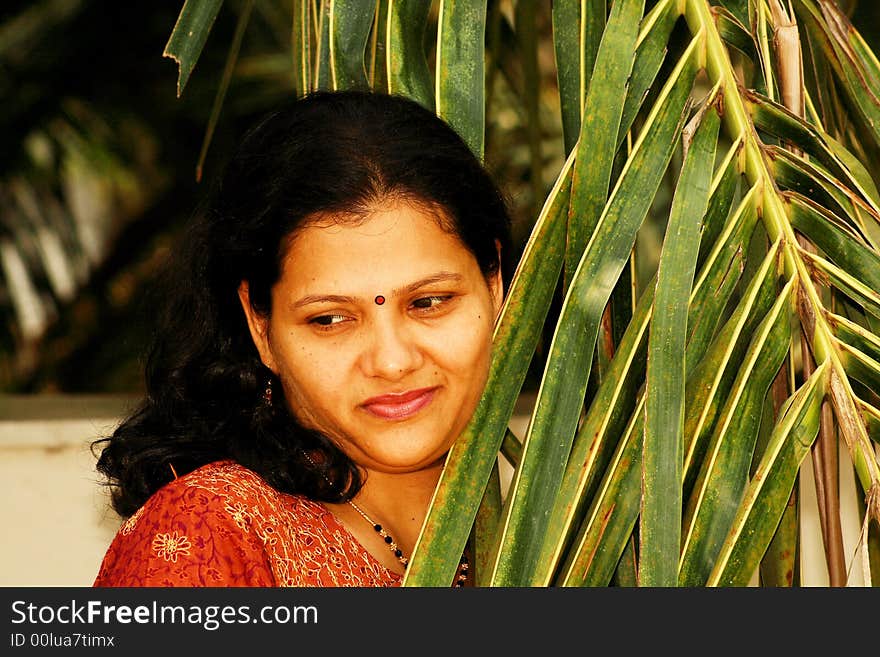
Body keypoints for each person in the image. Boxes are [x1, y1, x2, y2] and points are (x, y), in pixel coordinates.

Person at [91, 90, 513, 587]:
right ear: (260, 326)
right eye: (330, 319)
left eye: (428, 302)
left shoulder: (567, 523)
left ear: (494, 287)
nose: (393, 362)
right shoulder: (210, 539)